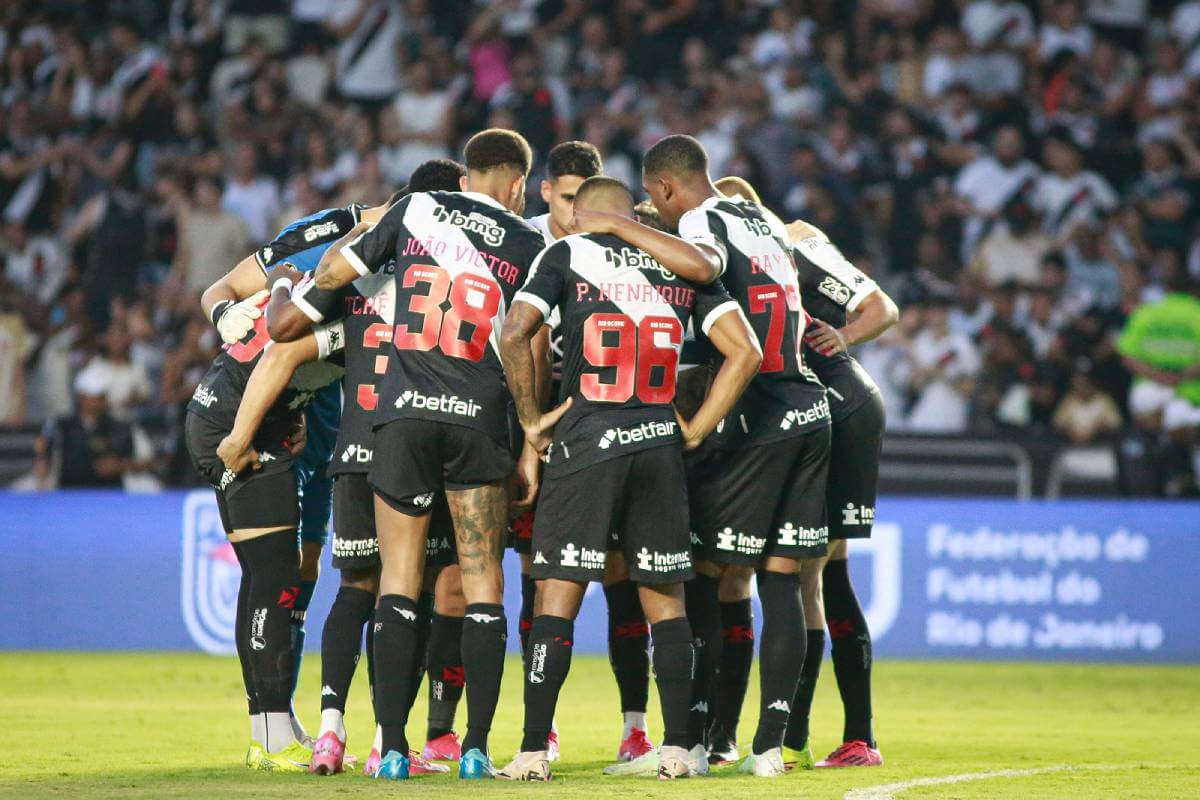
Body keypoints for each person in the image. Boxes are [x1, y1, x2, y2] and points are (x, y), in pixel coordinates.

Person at [496, 175, 761, 781]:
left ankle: (535, 750)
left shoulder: (564, 252)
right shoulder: (682, 267)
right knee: (665, 603)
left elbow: (515, 333)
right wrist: (695, 428)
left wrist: (533, 422)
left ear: (587, 216)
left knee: (555, 595)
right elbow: (744, 351)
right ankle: (677, 749)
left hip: (589, 441)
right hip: (660, 447)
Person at [312, 128, 548, 780]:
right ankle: (472, 747)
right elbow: (530, 347)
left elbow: (336, 270)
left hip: (404, 420)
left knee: (397, 581)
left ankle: (390, 749)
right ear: (520, 186)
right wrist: (530, 433)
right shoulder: (533, 243)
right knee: (481, 584)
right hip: (478, 420)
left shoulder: (412, 210)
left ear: (466, 177)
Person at [252, 159, 471, 777]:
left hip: (355, 448)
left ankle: (329, 730)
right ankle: (391, 740)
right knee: (417, 594)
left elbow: (287, 332)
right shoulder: (448, 275)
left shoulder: (359, 272)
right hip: (421, 448)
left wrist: (281, 285)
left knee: (356, 591)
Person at [640, 135, 831, 778]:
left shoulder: (703, 218)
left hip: (764, 411)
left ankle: (694, 738)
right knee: (782, 581)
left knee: (700, 568)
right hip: (811, 406)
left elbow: (699, 267)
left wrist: (618, 226)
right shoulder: (763, 220)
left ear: (666, 188)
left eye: (653, 203)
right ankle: (768, 747)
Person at [704, 176, 897, 770]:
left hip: (834, 407)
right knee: (819, 578)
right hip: (840, 406)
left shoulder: (792, 243)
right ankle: (815, 735)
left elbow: (882, 308)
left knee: (810, 579)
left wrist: (843, 336)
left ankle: (816, 735)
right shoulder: (782, 244)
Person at [183, 288, 343, 772]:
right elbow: (281, 352)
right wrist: (240, 438)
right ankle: (272, 736)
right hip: (235, 427)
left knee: (263, 579)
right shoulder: (354, 311)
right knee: (274, 582)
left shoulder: (321, 289)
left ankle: (267, 730)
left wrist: (290, 407)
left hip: (230, 417)